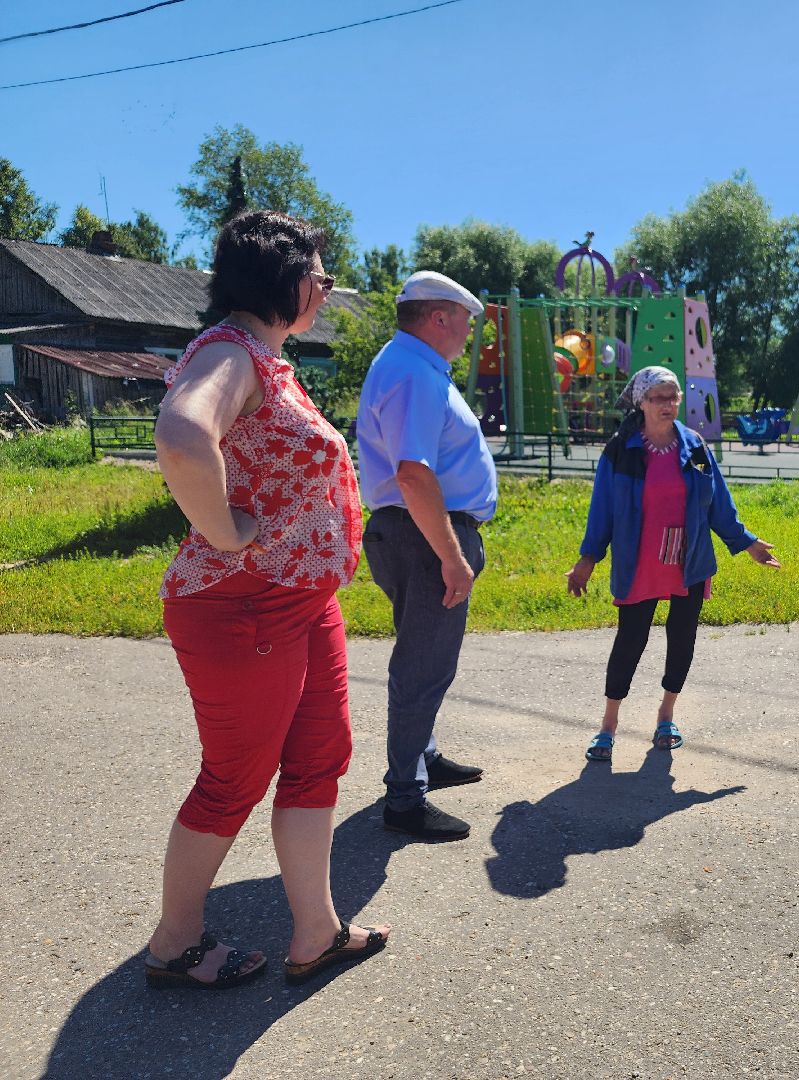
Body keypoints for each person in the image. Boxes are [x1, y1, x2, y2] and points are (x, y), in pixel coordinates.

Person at [147, 210, 389, 989]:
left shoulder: (267, 359)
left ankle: (316, 930)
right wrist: (223, 531)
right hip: (242, 603)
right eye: (320, 275)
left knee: (320, 759)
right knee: (234, 779)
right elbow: (182, 434)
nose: (327, 288)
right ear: (283, 277)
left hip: (302, 600)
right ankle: (175, 943)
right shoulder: (229, 351)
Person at [565, 366, 779, 759]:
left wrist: (746, 542)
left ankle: (666, 715)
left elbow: (717, 503)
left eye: (673, 396)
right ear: (641, 402)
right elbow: (602, 512)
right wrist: (587, 560)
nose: (667, 404)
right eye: (658, 398)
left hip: (689, 561)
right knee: (630, 641)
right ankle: (608, 726)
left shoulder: (694, 446)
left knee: (682, 639)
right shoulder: (621, 450)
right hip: (640, 563)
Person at [356, 271, 494, 841]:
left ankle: (422, 759)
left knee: (422, 656)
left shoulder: (412, 365)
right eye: (465, 320)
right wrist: (452, 556)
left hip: (415, 533)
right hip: (424, 536)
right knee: (423, 667)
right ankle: (405, 799)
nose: (469, 332)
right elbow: (413, 474)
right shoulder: (413, 373)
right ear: (439, 318)